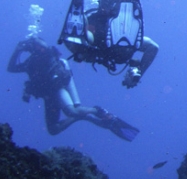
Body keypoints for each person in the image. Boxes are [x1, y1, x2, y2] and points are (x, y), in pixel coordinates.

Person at [8, 36, 139, 141]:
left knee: (71, 111)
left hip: (57, 88)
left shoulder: (48, 54)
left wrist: (32, 40)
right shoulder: (29, 63)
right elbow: (11, 68)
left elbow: (44, 46)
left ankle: (97, 110)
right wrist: (17, 50)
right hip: (48, 97)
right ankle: (84, 117)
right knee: (53, 130)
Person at [58, 0, 159, 88]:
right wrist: (139, 74)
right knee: (140, 43)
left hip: (100, 49)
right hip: (120, 49)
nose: (106, 6)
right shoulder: (97, 19)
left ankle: (78, 32)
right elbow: (153, 48)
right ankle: (81, 34)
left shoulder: (92, 17)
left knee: (84, 41)